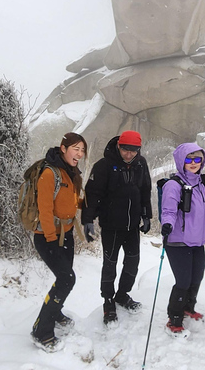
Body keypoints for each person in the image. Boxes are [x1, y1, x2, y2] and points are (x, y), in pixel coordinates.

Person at [82, 130, 153, 324]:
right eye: (125, 150)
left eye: (133, 151)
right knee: (110, 263)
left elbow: (145, 189)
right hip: (111, 225)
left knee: (132, 262)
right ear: (118, 146)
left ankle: (122, 294)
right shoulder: (104, 166)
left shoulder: (141, 163)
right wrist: (88, 220)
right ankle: (108, 300)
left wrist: (147, 215)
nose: (128, 154)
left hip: (132, 226)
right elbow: (92, 194)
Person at [30, 132, 87, 353]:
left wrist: (88, 204)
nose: (79, 154)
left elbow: (69, 202)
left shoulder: (69, 172)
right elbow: (44, 209)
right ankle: (41, 331)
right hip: (48, 236)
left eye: (82, 150)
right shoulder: (49, 173)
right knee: (66, 279)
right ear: (63, 149)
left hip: (67, 233)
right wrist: (51, 239)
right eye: (76, 148)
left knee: (64, 278)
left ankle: (55, 312)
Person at [160, 142, 205, 338]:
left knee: (196, 278)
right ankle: (174, 317)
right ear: (181, 161)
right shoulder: (173, 185)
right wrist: (167, 224)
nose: (193, 163)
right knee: (183, 281)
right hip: (178, 241)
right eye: (189, 159)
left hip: (198, 241)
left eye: (197, 159)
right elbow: (168, 210)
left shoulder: (201, 184)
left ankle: (188, 307)